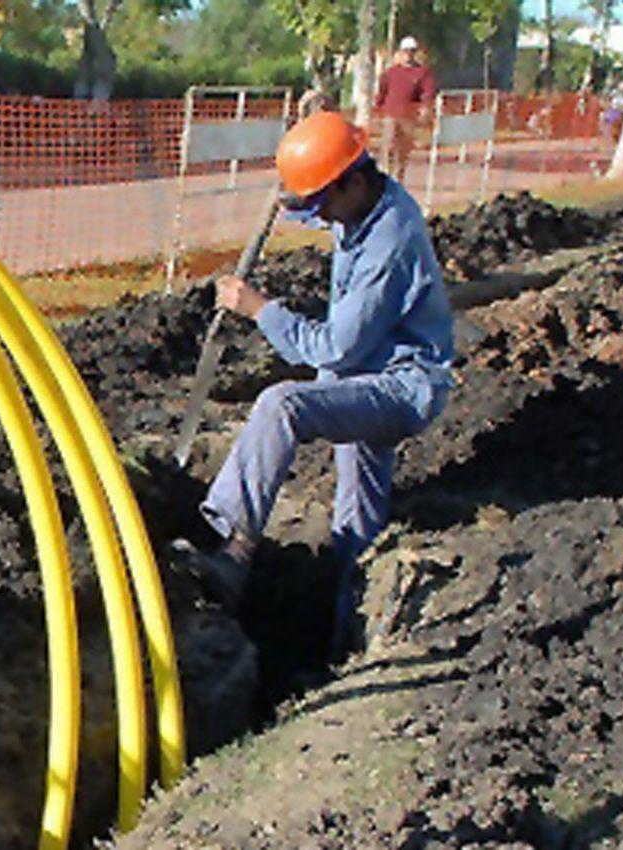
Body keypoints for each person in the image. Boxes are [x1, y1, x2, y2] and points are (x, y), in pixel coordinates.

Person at [171, 111, 455, 658]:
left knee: (282, 406)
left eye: (321, 203)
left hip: (400, 384)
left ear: (352, 180)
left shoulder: (389, 243)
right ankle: (339, 644)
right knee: (355, 521)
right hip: (367, 374)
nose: (319, 216)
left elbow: (334, 348)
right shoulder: (363, 200)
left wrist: (260, 310)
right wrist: (295, 190)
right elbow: (323, 198)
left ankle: (233, 548)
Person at [375, 36, 437, 182]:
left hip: (408, 117)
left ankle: (398, 181)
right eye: (405, 51)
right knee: (388, 147)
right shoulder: (390, 72)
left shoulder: (422, 73)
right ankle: (383, 180)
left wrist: (425, 108)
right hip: (390, 116)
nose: (408, 54)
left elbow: (427, 92)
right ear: (400, 52)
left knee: (402, 152)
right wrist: (378, 112)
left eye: (411, 51)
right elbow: (381, 93)